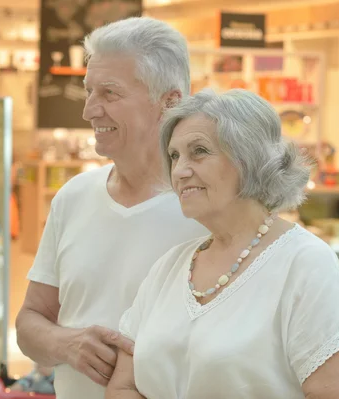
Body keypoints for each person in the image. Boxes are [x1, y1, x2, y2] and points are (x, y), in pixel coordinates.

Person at [106, 88, 339, 399]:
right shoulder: (170, 267)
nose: (180, 170)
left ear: (248, 157)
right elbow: (123, 385)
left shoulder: (305, 265)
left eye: (199, 151)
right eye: (174, 156)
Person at [15, 16, 208, 399]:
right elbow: (30, 321)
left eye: (109, 93)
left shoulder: (209, 212)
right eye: (88, 91)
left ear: (170, 102)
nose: (89, 111)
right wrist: (64, 344)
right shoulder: (73, 197)